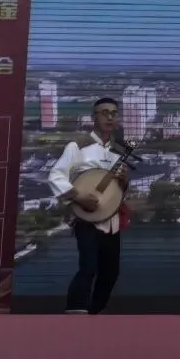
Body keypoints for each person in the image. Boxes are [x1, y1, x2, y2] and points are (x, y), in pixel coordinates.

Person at [47, 97, 130, 314]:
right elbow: (56, 175)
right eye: (104, 113)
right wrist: (78, 196)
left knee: (111, 273)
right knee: (88, 268)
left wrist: (124, 181)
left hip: (111, 221)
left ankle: (93, 313)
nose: (110, 117)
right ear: (94, 117)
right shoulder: (78, 145)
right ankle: (75, 312)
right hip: (87, 219)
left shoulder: (118, 150)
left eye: (114, 113)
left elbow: (117, 190)